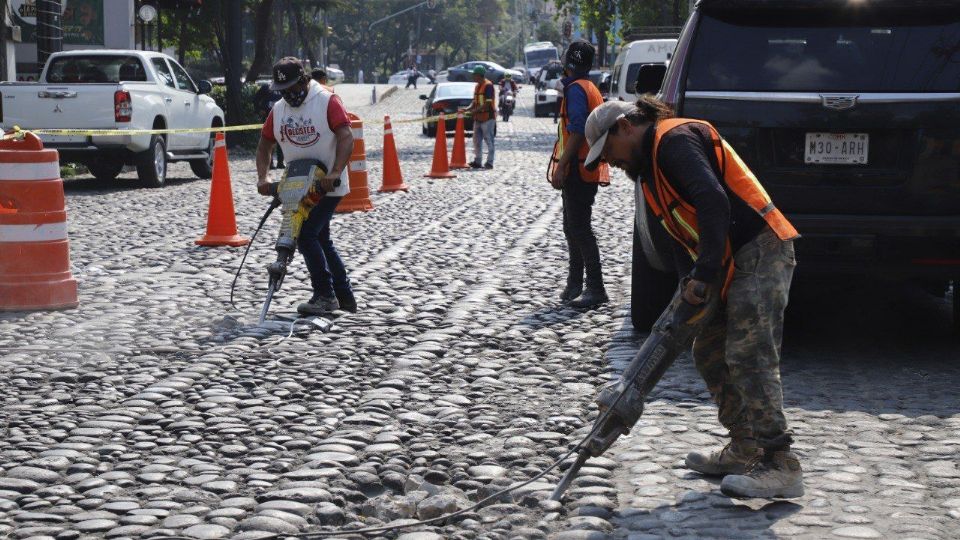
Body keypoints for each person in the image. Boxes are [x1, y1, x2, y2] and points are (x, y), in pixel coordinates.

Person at [581, 96, 803, 499]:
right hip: (727, 256)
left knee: (749, 354)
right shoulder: (648, 171)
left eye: (608, 150)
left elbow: (714, 200)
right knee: (710, 351)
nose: (609, 162)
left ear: (625, 127)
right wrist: (690, 283)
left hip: (760, 248)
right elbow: (681, 231)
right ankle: (744, 447)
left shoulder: (674, 140)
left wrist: (704, 274)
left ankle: (781, 464)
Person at [256, 57, 358, 314]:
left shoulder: (326, 100)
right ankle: (344, 297)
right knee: (321, 238)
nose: (288, 95)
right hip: (297, 185)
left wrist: (335, 171)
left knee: (306, 234)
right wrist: (263, 178)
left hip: (327, 185)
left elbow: (346, 136)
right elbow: (265, 144)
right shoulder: (278, 110)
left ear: (303, 80)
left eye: (291, 88)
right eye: (282, 91)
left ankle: (325, 295)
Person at [548, 40, 610, 309]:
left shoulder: (575, 90)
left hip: (578, 168)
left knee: (580, 228)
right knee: (572, 226)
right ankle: (574, 283)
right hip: (585, 166)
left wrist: (562, 165)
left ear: (568, 61)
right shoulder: (589, 86)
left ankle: (595, 287)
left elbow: (576, 129)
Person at [461, 65, 496, 169]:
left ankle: (489, 162)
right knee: (476, 140)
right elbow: (474, 101)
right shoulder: (477, 86)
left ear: (479, 75)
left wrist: (474, 111)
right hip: (478, 118)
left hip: (488, 118)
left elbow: (487, 103)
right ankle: (477, 161)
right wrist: (467, 109)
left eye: (474, 75)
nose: (473, 77)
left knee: (489, 140)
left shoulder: (488, 85)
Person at [253, 83, 284, 169]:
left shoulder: (283, 86)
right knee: (269, 141)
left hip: (282, 116)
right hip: (268, 117)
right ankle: (270, 163)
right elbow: (256, 99)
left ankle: (280, 162)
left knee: (281, 139)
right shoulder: (266, 87)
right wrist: (259, 110)